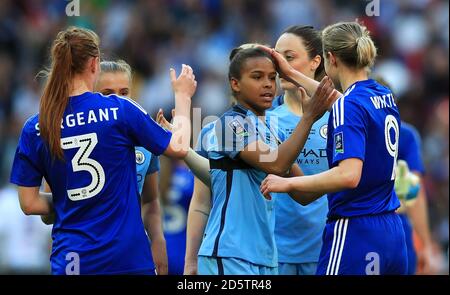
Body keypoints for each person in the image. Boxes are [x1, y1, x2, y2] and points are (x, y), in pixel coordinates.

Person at [9, 26, 196, 274]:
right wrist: (183, 97)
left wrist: (73, 200)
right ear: (95, 64)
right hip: (126, 258)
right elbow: (180, 146)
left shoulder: (36, 126)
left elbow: (30, 204)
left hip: (73, 260)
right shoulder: (121, 110)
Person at [260, 21, 408, 275]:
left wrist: (288, 183)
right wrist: (292, 73)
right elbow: (343, 104)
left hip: (356, 231)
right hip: (392, 233)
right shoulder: (381, 95)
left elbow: (348, 175)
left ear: (329, 59)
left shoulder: (347, 106)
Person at [179, 47, 336, 275]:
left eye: (272, 78)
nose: (268, 84)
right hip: (229, 253)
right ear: (235, 84)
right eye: (257, 77)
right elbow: (276, 165)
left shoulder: (270, 132)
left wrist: (345, 173)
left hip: (266, 257)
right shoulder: (228, 125)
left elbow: (303, 194)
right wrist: (309, 118)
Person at [268, 25, 329, 275]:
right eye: (275, 58)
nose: (279, 66)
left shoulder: (339, 118)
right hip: (277, 252)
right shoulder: (267, 120)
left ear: (316, 61)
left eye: (289, 58)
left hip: (328, 248)